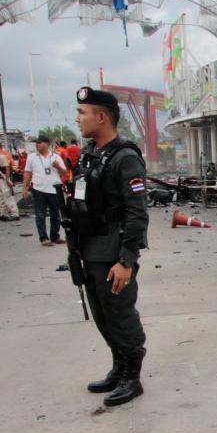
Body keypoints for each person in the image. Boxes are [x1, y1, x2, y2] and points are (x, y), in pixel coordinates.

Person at [70, 87, 150, 407]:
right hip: (90, 249)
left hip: (113, 252)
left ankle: (133, 376)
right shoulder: (90, 154)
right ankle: (118, 369)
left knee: (120, 315)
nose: (77, 119)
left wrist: (127, 259)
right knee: (102, 315)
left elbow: (137, 212)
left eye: (82, 113)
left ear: (101, 117)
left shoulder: (125, 157)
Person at [22, 134, 68, 246]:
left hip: (54, 189)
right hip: (38, 189)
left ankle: (55, 236)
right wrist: (25, 188)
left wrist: (58, 167)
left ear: (47, 144)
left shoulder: (56, 157)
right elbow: (27, 173)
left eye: (40, 142)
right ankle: (43, 238)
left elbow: (64, 172)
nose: (38, 145)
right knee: (40, 214)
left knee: (56, 214)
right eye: (36, 143)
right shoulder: (32, 157)